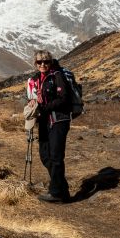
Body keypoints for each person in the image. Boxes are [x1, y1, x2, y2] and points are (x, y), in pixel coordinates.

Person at [26, 50, 73, 203]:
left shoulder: (57, 76)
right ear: (35, 64)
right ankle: (62, 189)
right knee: (45, 156)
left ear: (51, 62)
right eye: (39, 62)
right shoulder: (36, 79)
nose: (43, 64)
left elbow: (64, 98)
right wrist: (32, 103)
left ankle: (56, 193)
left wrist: (44, 108)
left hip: (59, 120)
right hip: (45, 121)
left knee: (56, 156)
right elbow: (32, 96)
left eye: (46, 61)